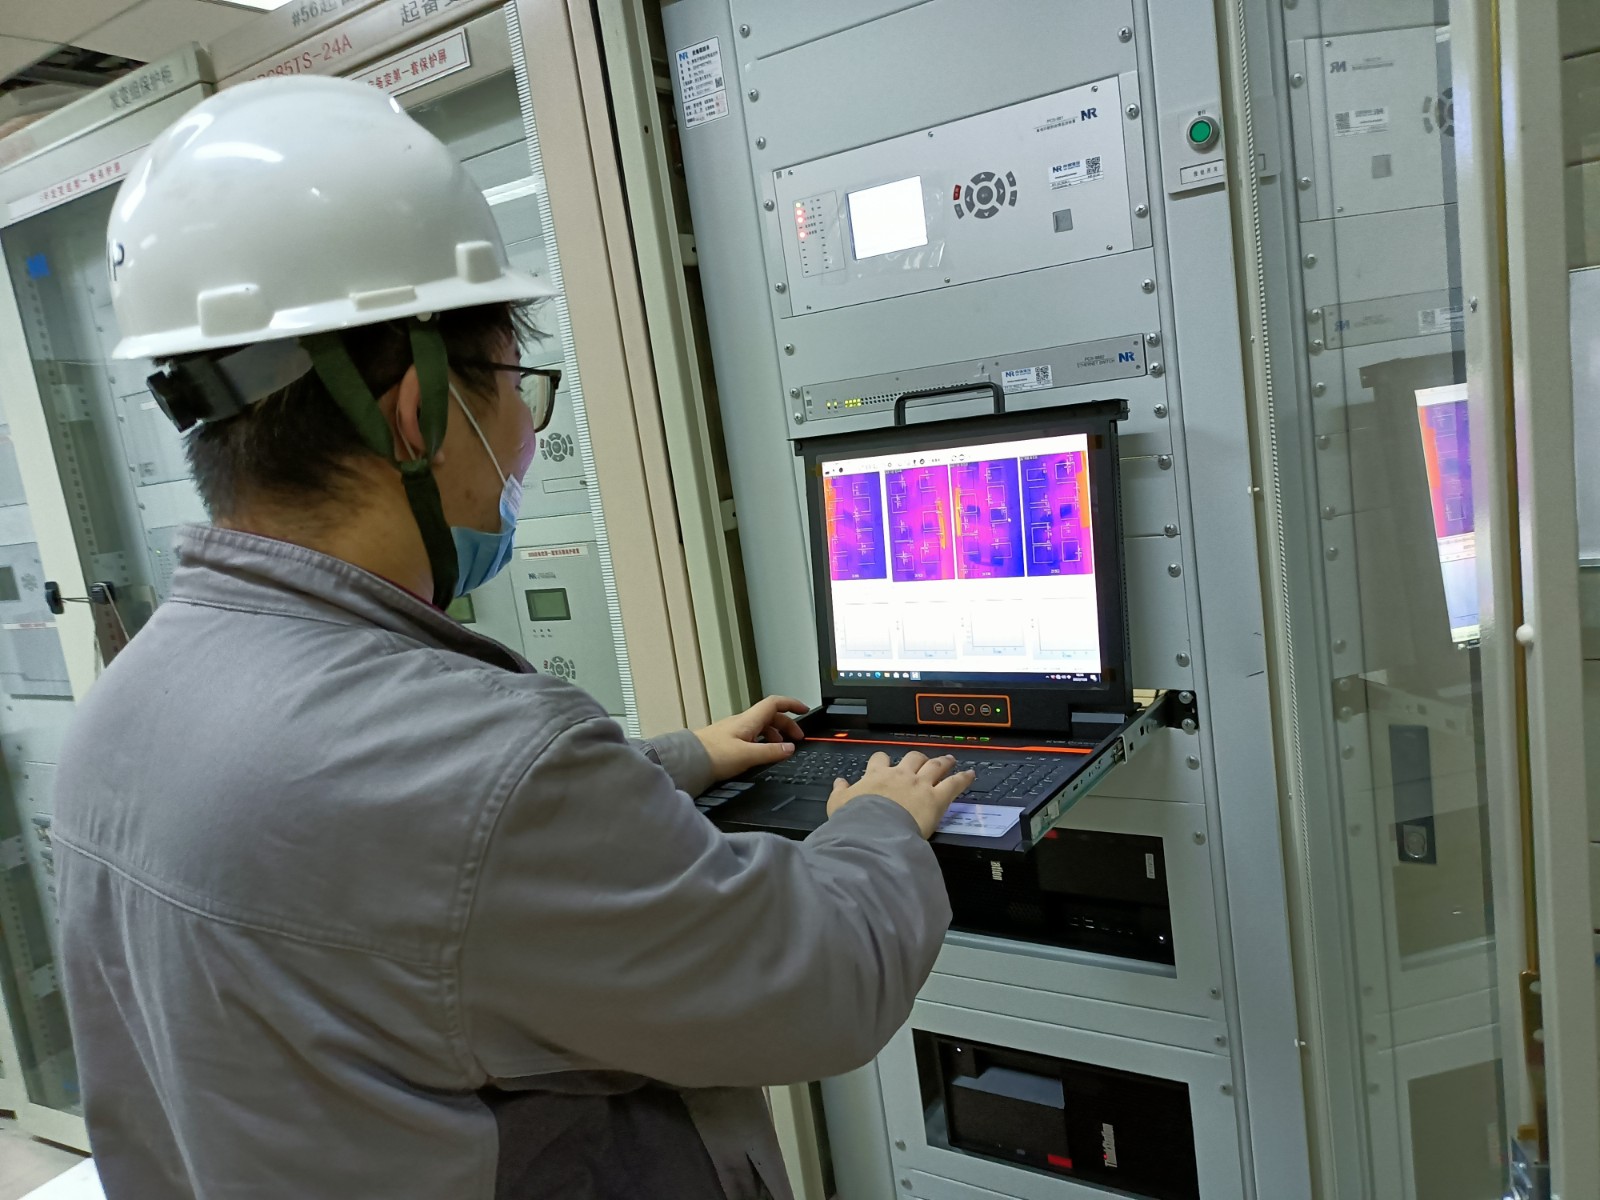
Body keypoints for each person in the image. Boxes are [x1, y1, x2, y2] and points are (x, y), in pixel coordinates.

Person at [52, 76, 973, 1199]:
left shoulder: (122, 711)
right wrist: (879, 826)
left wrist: (674, 761)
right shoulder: (480, 763)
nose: (527, 433)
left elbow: (381, 862)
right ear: (417, 411)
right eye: (514, 387)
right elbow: (815, 983)